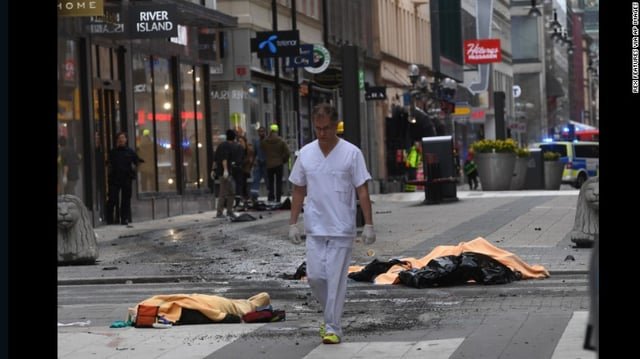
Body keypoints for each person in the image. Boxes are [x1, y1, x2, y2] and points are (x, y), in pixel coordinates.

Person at [288, 103, 376, 345]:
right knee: (316, 277)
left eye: (326, 128)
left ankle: (332, 327)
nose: (322, 134)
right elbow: (298, 190)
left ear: (335, 125)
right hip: (314, 227)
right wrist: (293, 223)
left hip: (341, 229)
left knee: (336, 280)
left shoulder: (351, 153)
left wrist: (368, 224)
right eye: (318, 129)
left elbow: (362, 190)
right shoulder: (305, 154)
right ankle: (330, 317)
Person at [106, 132, 142, 225]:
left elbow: (137, 162)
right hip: (114, 179)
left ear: (126, 140)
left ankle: (124, 218)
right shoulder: (113, 152)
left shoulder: (130, 151)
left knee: (125, 200)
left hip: (126, 178)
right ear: (117, 140)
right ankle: (110, 218)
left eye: (123, 138)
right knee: (112, 199)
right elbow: (108, 163)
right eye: (119, 138)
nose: (121, 140)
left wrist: (134, 169)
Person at [213, 129, 242, 218]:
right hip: (226, 173)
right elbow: (224, 159)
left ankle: (227, 211)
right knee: (226, 192)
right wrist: (226, 170)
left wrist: (213, 170)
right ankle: (222, 212)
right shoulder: (228, 146)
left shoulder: (221, 145)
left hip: (222, 172)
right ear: (233, 137)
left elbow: (215, 158)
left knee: (228, 192)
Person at [262, 123, 290, 203]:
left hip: (269, 164)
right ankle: (278, 198)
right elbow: (287, 152)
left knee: (270, 182)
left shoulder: (265, 142)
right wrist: (283, 160)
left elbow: (262, 148)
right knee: (278, 182)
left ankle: (271, 197)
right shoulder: (281, 141)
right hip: (279, 164)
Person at [250, 126, 268, 204]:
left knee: (268, 180)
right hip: (258, 163)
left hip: (266, 163)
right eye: (260, 132)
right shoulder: (256, 141)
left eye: (262, 131)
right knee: (256, 179)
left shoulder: (268, 141)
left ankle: (270, 194)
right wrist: (253, 161)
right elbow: (254, 152)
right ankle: (254, 195)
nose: (261, 133)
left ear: (265, 132)